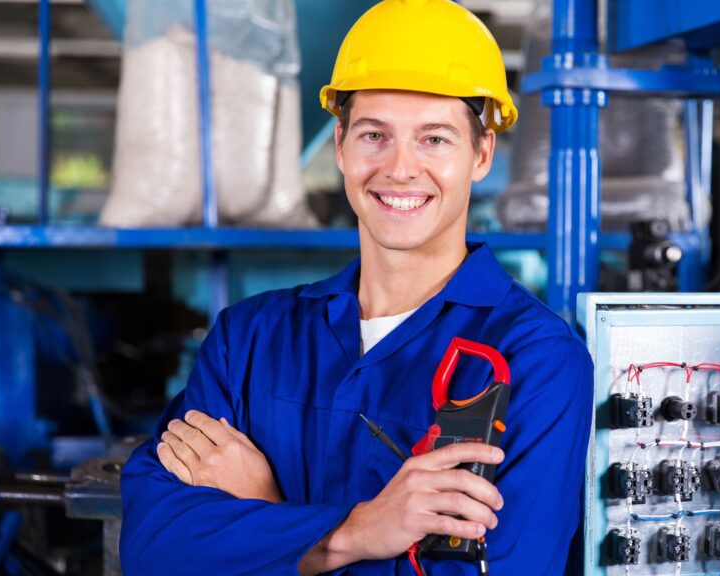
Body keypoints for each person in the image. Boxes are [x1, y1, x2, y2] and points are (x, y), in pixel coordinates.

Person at [119, 1, 593, 574]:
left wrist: (268, 517)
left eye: (435, 139)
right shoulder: (248, 339)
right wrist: (359, 533)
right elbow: (155, 546)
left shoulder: (538, 360)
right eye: (375, 135)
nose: (399, 168)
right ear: (340, 145)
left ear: (482, 153)